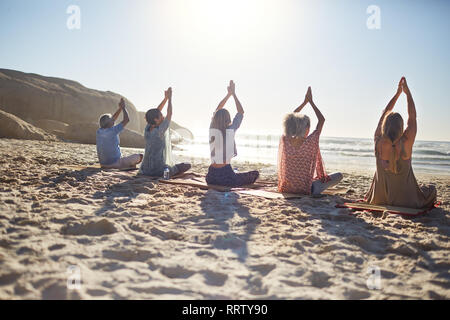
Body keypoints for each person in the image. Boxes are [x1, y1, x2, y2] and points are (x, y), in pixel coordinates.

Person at [365, 77, 437, 208]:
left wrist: (397, 94)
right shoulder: (406, 142)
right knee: (431, 189)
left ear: (384, 126)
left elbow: (384, 114)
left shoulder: (378, 141)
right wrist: (407, 93)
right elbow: (412, 117)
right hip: (407, 202)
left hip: (379, 200)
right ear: (401, 127)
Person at [278, 87, 343, 195]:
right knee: (338, 175)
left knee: (314, 178)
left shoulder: (286, 140)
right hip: (307, 190)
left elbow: (290, 119)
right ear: (306, 128)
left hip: (286, 188)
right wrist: (311, 102)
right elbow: (322, 120)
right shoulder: (310, 142)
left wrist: (304, 103)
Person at [206, 80, 259, 187]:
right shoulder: (230, 129)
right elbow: (241, 112)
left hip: (210, 176)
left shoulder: (212, 129)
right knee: (255, 174)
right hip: (226, 177)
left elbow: (217, 109)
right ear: (228, 119)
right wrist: (233, 94)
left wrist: (228, 95)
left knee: (238, 174)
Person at [140, 87, 191, 178]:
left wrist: (165, 98)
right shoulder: (160, 130)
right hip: (158, 170)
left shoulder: (147, 128)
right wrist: (170, 98)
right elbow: (169, 114)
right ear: (156, 120)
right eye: (161, 116)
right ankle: (168, 173)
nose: (163, 117)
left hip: (145, 169)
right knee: (187, 165)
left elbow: (156, 111)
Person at [96, 98, 143, 169]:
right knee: (140, 156)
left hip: (103, 164)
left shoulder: (99, 131)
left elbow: (113, 118)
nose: (113, 120)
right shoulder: (113, 131)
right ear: (109, 123)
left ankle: (128, 165)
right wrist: (123, 108)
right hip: (115, 164)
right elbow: (126, 120)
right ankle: (129, 165)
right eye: (112, 120)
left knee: (126, 159)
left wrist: (120, 108)